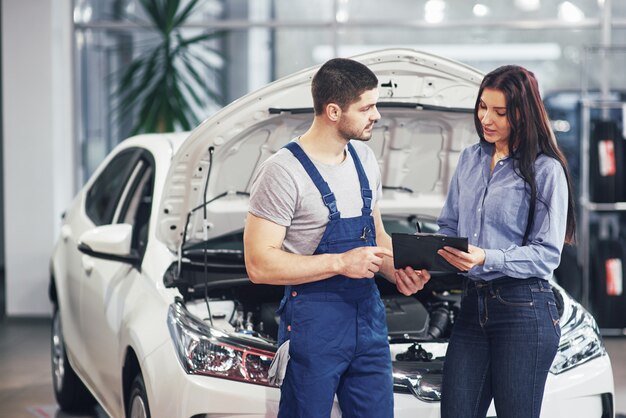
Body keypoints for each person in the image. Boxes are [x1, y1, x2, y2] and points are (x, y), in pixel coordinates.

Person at [243, 57, 431, 417]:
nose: (376, 115)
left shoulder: (364, 158)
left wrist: (397, 272)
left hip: (369, 320)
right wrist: (342, 262)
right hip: (314, 326)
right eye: (367, 107)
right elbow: (258, 264)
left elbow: (376, 237)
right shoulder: (282, 172)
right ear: (333, 111)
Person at [436, 65, 576, 418]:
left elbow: (546, 255)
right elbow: (449, 226)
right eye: (483, 106)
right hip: (472, 307)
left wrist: (487, 257)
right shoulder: (470, 158)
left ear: (523, 114)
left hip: (524, 309)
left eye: (500, 112)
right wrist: (426, 258)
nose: (486, 118)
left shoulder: (546, 170)